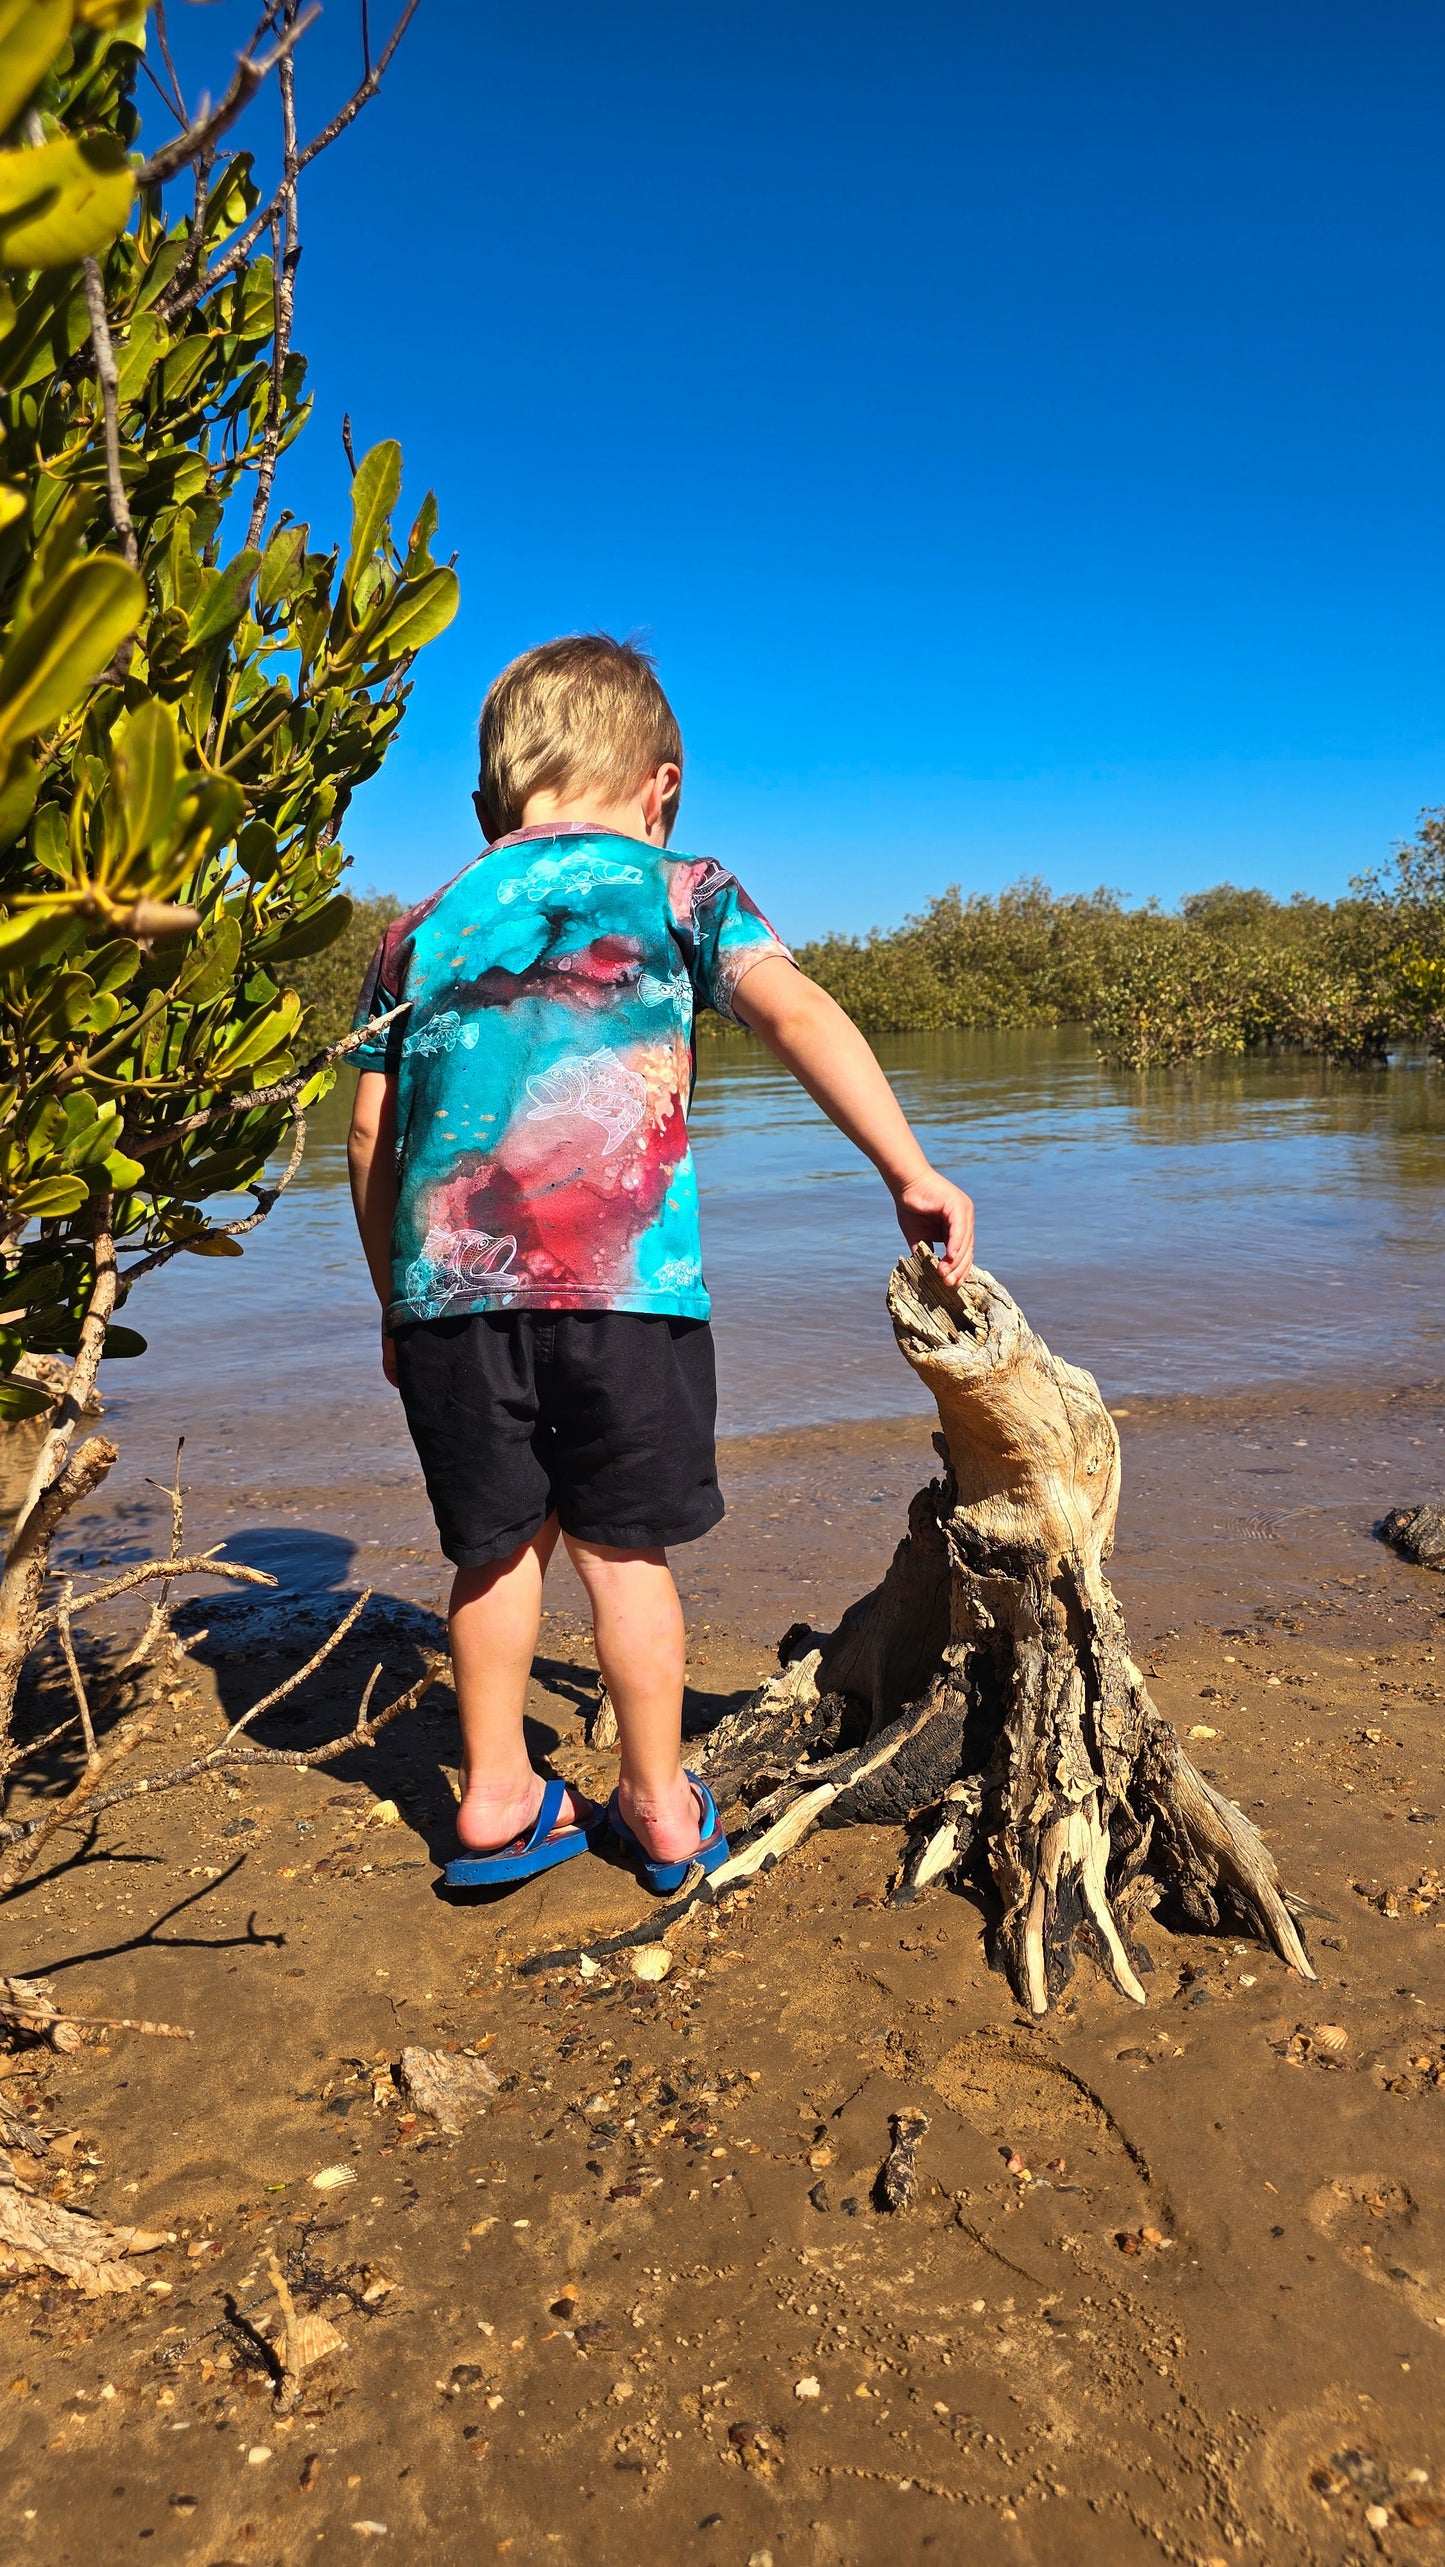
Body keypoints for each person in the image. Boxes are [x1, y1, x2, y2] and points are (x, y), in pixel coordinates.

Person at [347, 635, 973, 1893]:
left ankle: (493, 1802)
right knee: (627, 1554)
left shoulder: (411, 932)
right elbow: (794, 1008)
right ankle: (658, 1804)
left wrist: (396, 1295)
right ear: (662, 783)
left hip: (449, 1302)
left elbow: (369, 1137)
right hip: (627, 1299)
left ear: (486, 803)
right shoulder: (682, 887)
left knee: (495, 1550)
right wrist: (907, 1168)